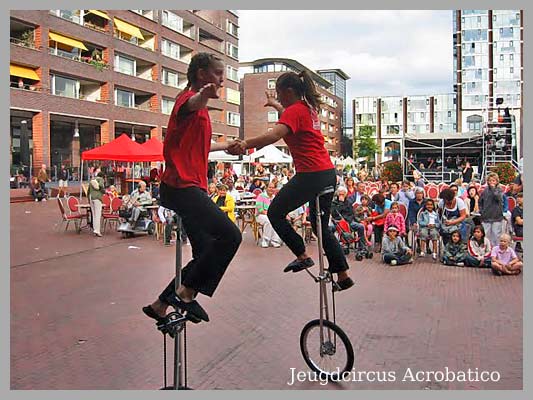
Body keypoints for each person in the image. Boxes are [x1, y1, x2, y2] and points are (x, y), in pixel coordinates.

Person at [228, 70, 354, 291]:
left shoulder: (295, 111)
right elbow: (289, 114)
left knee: (275, 213)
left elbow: (272, 136)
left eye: (279, 93)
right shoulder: (307, 109)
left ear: (288, 91)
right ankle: (343, 275)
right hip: (327, 173)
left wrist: (244, 144)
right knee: (320, 227)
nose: (279, 97)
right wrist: (276, 105)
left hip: (311, 175)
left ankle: (302, 254)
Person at [143, 53, 242, 324]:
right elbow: (194, 102)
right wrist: (205, 96)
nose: (222, 79)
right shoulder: (188, 100)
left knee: (205, 251)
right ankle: (185, 294)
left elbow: (201, 146)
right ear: (201, 73)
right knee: (231, 237)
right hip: (181, 188)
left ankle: (160, 304)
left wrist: (227, 147)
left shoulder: (199, 112)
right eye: (218, 73)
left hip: (189, 188)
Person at [479, 172, 505, 247]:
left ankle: (495, 252)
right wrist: (482, 211)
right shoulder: (485, 191)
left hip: (496, 217)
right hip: (486, 216)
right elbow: (480, 201)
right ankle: (487, 251)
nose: (491, 182)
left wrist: (493, 189)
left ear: (497, 181)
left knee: (496, 236)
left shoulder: (499, 190)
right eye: (490, 180)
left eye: (493, 181)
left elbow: (498, 198)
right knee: (486, 236)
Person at [256, 182, 282, 248]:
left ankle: (275, 240)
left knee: (278, 220)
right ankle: (265, 240)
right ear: (266, 188)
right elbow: (260, 209)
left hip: (271, 215)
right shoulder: (261, 196)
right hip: (260, 215)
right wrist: (270, 214)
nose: (271, 189)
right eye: (270, 187)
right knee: (269, 220)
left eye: (273, 188)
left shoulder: (275, 197)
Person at [87, 171, 105, 237]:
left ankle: (95, 229)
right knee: (98, 215)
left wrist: (88, 199)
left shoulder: (92, 180)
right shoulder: (101, 179)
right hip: (97, 198)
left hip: (91, 197)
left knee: (94, 214)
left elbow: (88, 191)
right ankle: (97, 231)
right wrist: (104, 191)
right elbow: (100, 186)